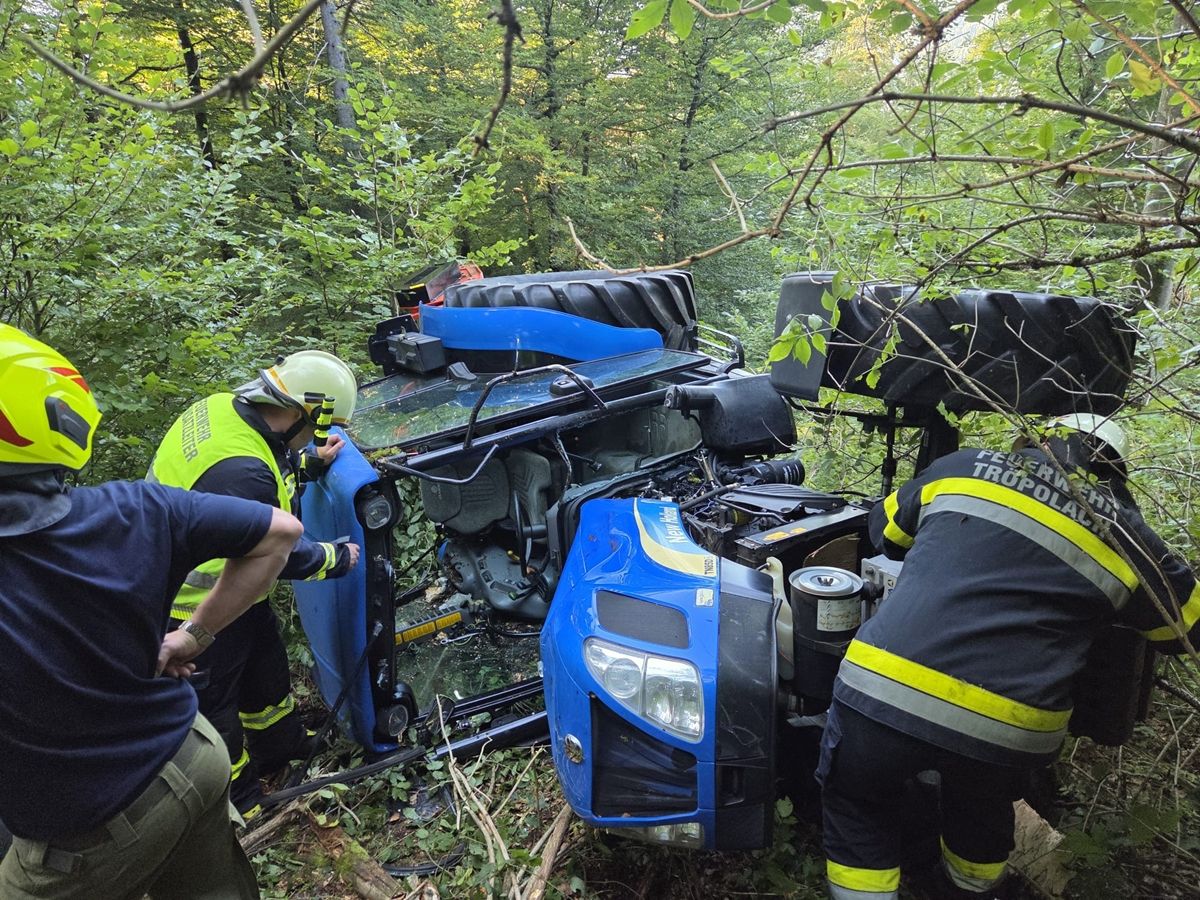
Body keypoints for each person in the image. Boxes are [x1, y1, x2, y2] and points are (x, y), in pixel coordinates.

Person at [818, 413, 1200, 900]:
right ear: (1114, 472)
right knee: (979, 811)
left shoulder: (961, 468)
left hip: (883, 691)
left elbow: (885, 533)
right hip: (1010, 727)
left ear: (1033, 439)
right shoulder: (1127, 533)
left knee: (860, 806)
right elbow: (1184, 628)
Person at [0, 324, 304, 899]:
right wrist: (193, 637)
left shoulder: (216, 421)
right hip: (191, 754)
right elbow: (281, 533)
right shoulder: (137, 509)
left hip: (89, 828)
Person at [147, 349, 362, 817]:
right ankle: (240, 799)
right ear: (307, 411)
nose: (317, 435)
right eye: (320, 426)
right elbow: (273, 550)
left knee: (265, 667)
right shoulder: (241, 472)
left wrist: (311, 464)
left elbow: (265, 470)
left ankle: (281, 745)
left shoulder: (226, 411)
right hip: (197, 606)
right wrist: (334, 557)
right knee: (215, 709)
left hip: (236, 597)